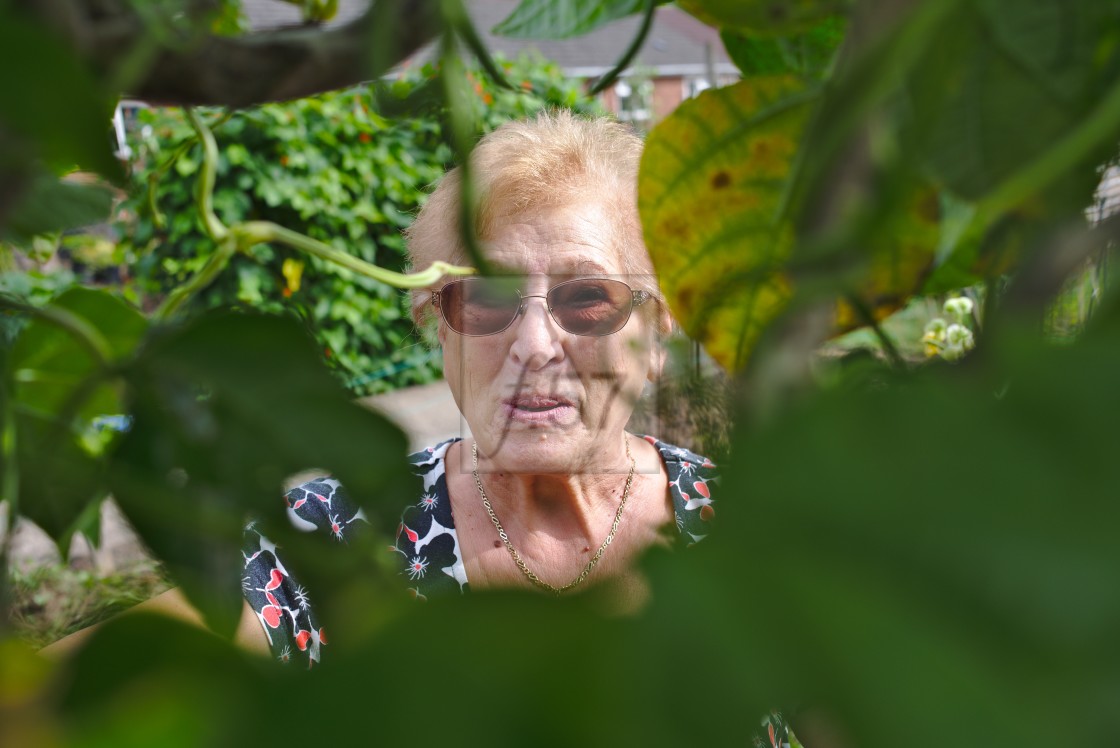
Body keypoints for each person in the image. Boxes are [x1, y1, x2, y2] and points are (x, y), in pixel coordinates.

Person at [46, 111, 718, 666]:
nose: (535, 345)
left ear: (657, 334)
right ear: (439, 328)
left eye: (588, 297)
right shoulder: (333, 538)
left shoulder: (751, 531)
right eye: (485, 298)